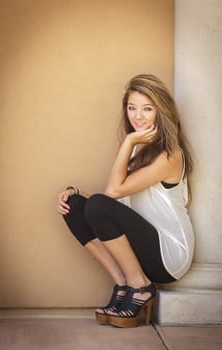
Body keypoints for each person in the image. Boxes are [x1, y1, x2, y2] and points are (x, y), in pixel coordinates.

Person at [56, 74, 195, 328]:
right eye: (132, 108)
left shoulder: (170, 154)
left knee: (97, 205)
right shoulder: (134, 148)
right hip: (142, 247)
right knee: (75, 207)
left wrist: (129, 140)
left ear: (160, 112)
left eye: (147, 108)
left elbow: (114, 191)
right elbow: (113, 200)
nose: (137, 116)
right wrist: (77, 194)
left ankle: (141, 287)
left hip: (169, 254)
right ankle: (123, 282)